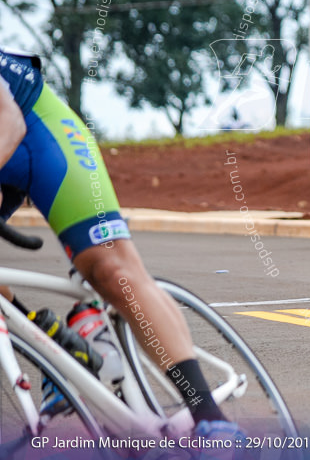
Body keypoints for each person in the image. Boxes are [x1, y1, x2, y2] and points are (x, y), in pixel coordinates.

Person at [0, 48, 240, 439]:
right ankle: (60, 342)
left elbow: (7, 122)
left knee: (110, 268)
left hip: (37, 133)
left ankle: (210, 419)